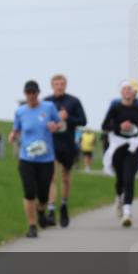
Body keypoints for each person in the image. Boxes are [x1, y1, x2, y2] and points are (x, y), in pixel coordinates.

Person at [9, 80, 61, 238]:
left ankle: (41, 212)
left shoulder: (48, 107)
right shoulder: (20, 111)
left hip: (46, 159)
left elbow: (60, 123)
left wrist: (56, 126)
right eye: (28, 93)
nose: (31, 96)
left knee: (43, 195)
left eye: (34, 93)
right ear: (25, 94)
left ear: (38, 93)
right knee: (29, 192)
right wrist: (13, 135)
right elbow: (16, 129)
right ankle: (32, 226)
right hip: (27, 158)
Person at [101, 81, 138, 227]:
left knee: (130, 178)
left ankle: (128, 212)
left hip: (133, 146)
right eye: (125, 89)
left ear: (133, 92)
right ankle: (119, 198)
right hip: (117, 146)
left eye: (130, 89)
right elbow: (104, 126)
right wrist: (119, 126)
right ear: (121, 92)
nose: (128, 91)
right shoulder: (115, 108)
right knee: (120, 179)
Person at [43, 74, 87, 227]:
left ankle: (63, 205)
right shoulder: (47, 102)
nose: (59, 86)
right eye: (56, 84)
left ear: (66, 85)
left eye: (61, 83)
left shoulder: (73, 101)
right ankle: (50, 210)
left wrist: (68, 117)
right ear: (52, 85)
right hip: (51, 143)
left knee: (65, 178)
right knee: (52, 177)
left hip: (68, 144)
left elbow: (83, 120)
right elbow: (41, 121)